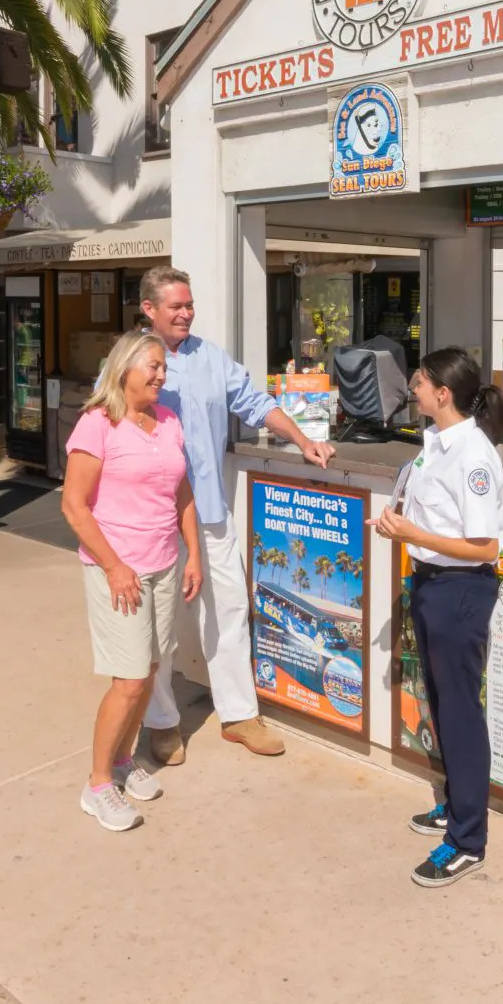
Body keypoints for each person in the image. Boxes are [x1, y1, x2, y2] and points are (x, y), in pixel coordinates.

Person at [134, 266, 335, 765]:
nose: (186, 313)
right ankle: (161, 721)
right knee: (158, 624)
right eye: (176, 306)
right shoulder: (130, 360)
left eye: (189, 304)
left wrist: (303, 439)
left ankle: (239, 715)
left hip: (208, 508)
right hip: (153, 517)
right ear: (149, 309)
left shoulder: (209, 356)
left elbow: (253, 402)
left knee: (229, 609)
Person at [369, 348, 503, 887]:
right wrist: (400, 525)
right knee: (442, 704)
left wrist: (414, 534)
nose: (413, 388)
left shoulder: (472, 456)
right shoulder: (434, 443)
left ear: (443, 393)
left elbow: (484, 546)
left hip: (460, 591)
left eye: (421, 382)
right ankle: (456, 805)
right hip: (431, 583)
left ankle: (468, 840)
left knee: (459, 714)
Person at [61, 330, 204, 831]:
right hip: (118, 570)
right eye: (153, 366)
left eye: (164, 367)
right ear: (124, 369)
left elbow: (182, 492)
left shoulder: (167, 421)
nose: (162, 375)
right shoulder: (98, 423)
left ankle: (123, 760)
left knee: (150, 669)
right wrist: (114, 566)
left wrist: (192, 554)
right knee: (129, 680)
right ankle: (98, 784)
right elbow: (73, 506)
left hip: (163, 564)